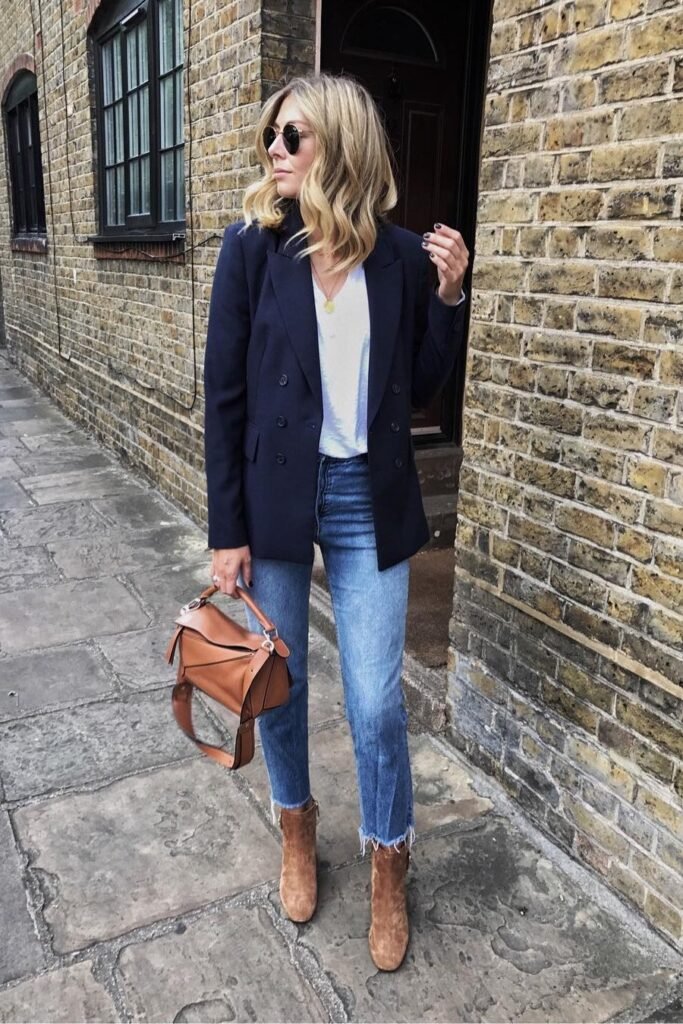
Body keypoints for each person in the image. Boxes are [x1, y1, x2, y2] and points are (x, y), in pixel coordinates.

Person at [204, 72, 468, 971]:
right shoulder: (252, 247)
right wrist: (225, 530)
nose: (274, 149)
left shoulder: (395, 257)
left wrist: (447, 300)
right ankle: (295, 827)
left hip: (366, 497)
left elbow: (423, 384)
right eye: (272, 135)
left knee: (373, 698)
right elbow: (225, 395)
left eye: (294, 136)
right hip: (276, 493)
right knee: (277, 680)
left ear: (341, 146)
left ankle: (389, 859)